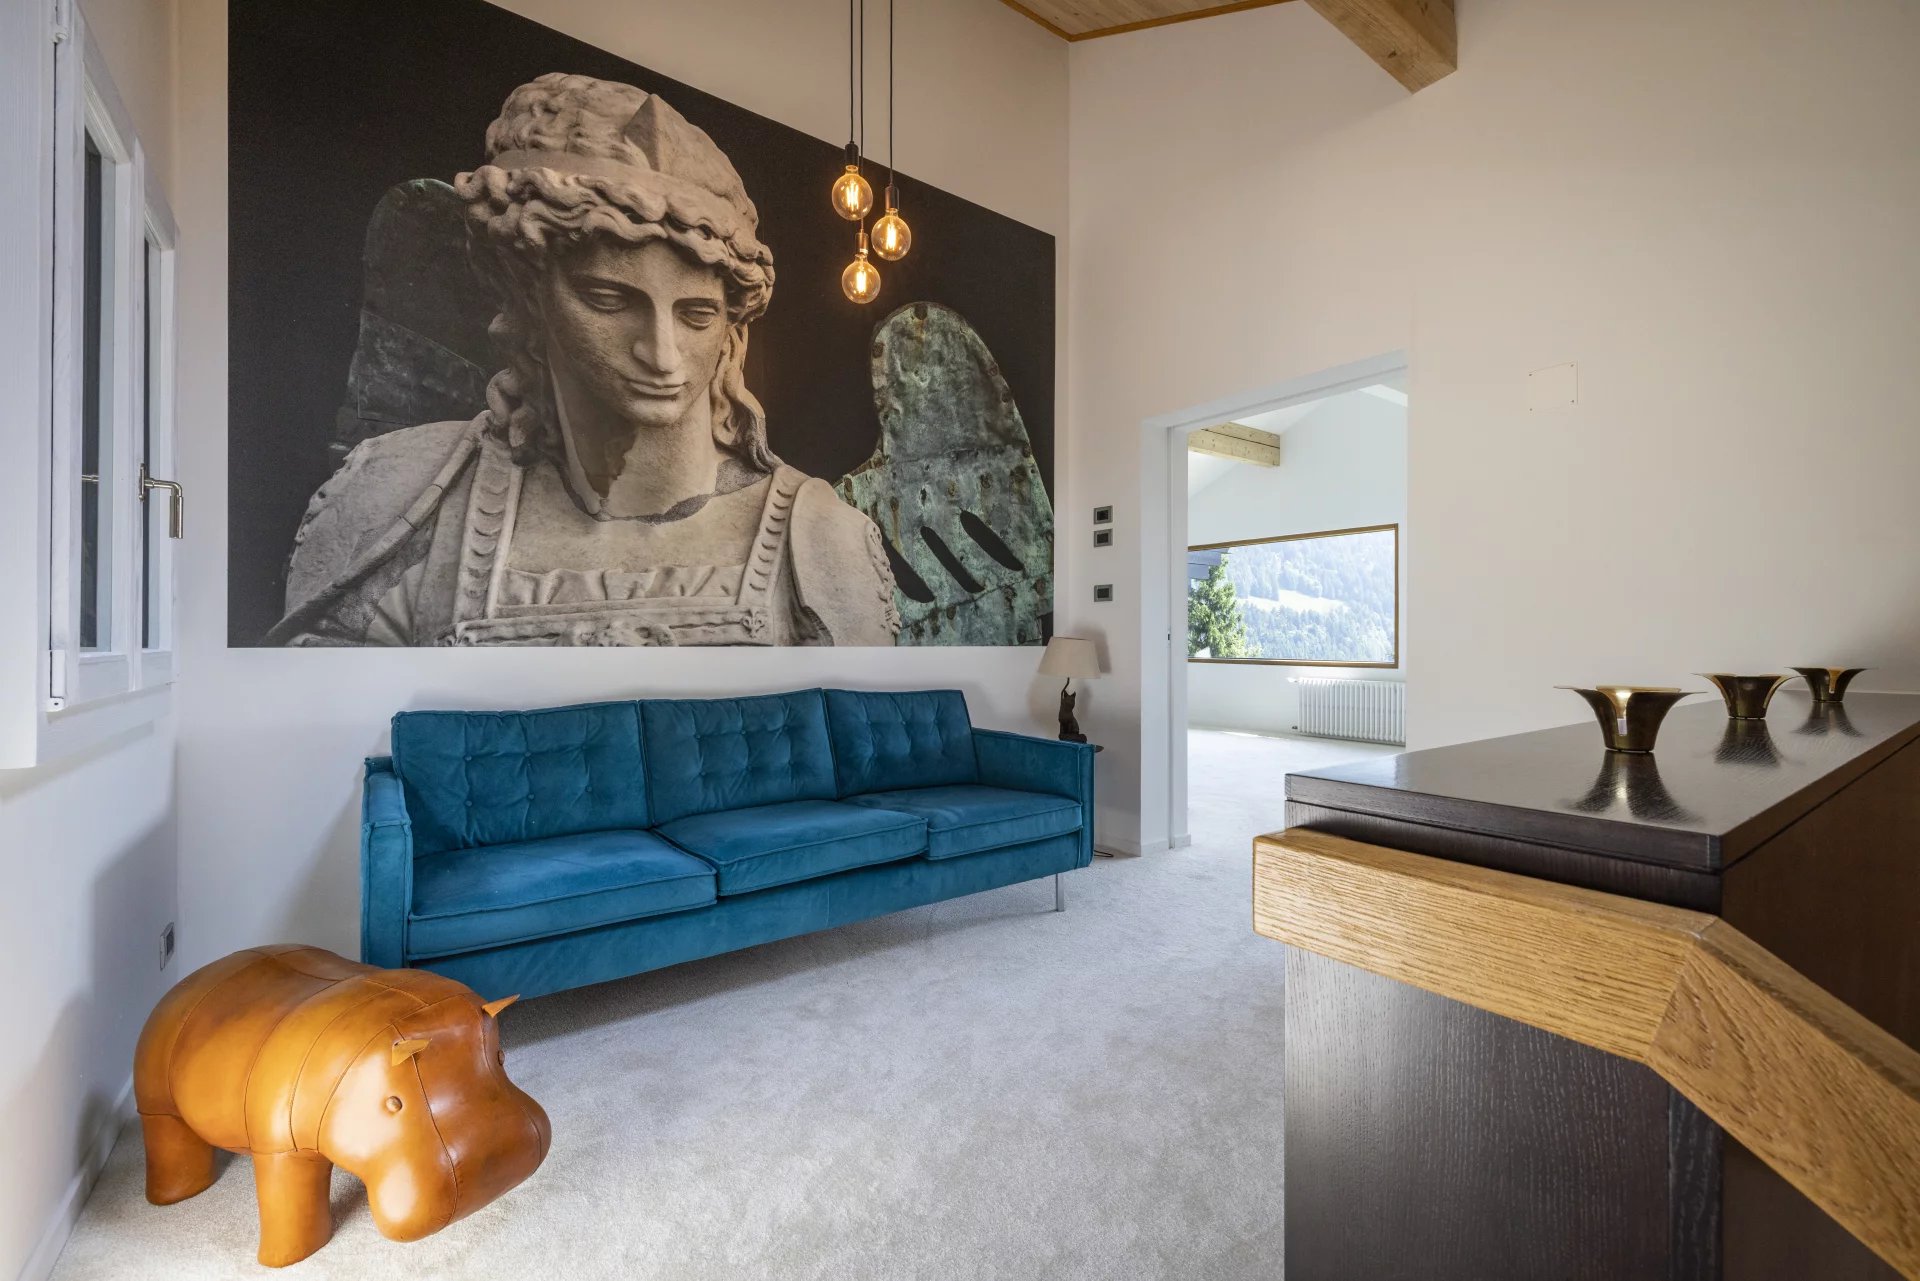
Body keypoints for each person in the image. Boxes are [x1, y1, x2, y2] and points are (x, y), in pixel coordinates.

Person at [270, 73, 900, 647]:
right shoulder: (398, 501)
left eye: (696, 315)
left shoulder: (818, 541)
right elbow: (330, 719)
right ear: (529, 296)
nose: (661, 354)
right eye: (609, 300)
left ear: (731, 325)